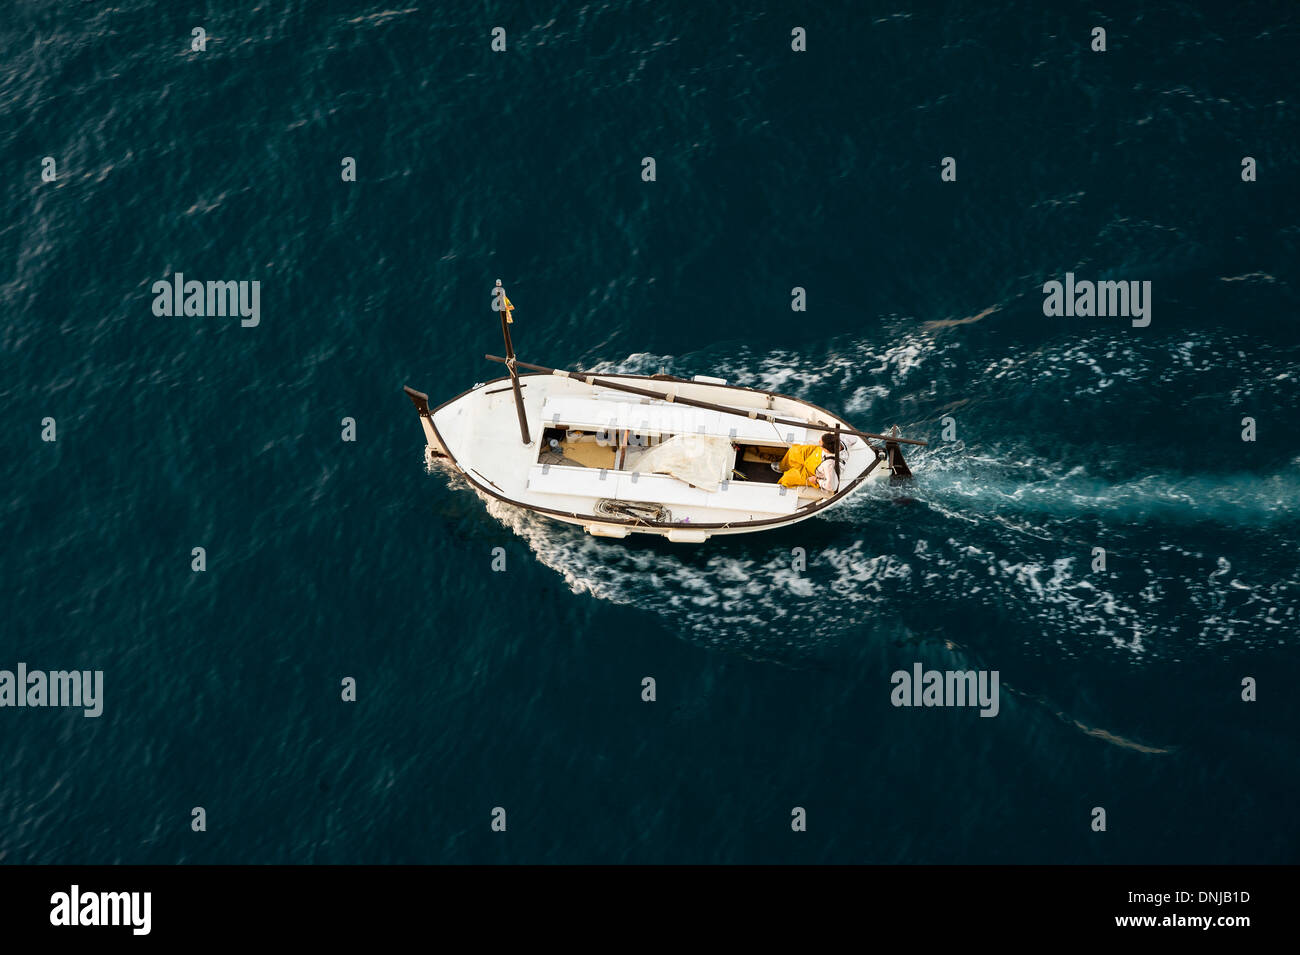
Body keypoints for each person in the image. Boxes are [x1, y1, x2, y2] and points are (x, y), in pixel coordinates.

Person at [771, 431, 854, 492]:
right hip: (814, 453)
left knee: (787, 478)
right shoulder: (842, 440)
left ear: (825, 449)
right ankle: (782, 467)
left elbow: (832, 486)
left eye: (820, 443)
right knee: (794, 450)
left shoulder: (829, 465)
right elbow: (854, 438)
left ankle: (784, 474)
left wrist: (817, 480)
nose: (818, 442)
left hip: (813, 472)